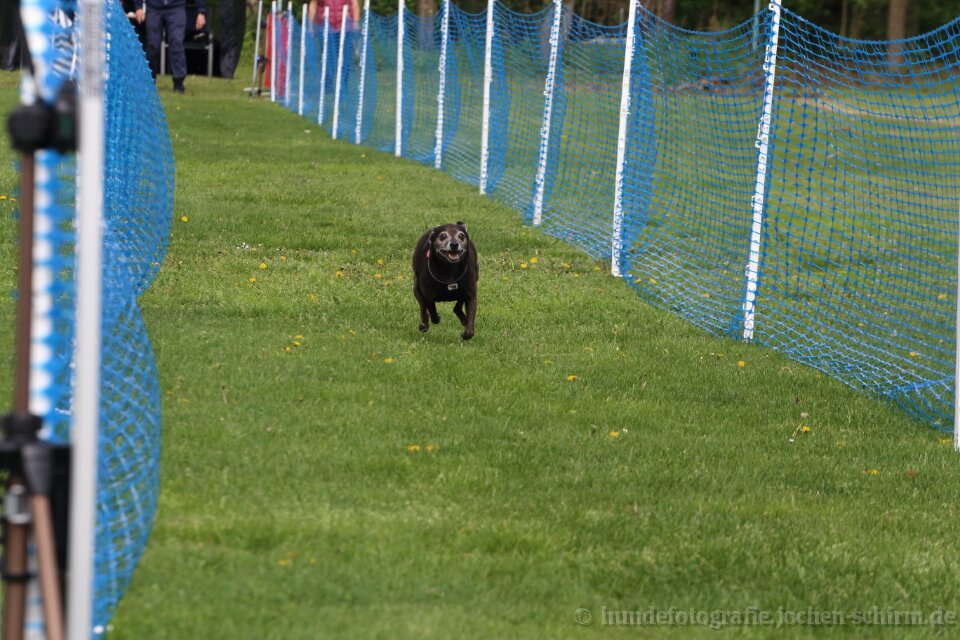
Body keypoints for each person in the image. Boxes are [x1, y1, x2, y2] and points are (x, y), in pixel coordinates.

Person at [135, 0, 207, 93]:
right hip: (154, 7)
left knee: (176, 41)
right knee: (153, 44)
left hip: (176, 7)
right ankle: (149, 79)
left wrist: (201, 11)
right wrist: (139, 6)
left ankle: (178, 82)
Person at [309, 0, 361, 92]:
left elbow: (354, 3)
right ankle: (328, 86)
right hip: (325, 26)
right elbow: (313, 5)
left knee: (345, 59)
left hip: (346, 26)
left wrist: (356, 22)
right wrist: (310, 25)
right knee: (328, 58)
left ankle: (343, 86)